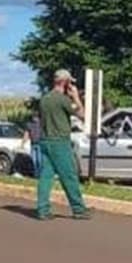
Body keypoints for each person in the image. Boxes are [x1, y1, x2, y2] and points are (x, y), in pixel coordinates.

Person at [35, 70, 91, 220]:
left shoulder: (44, 99)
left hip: (46, 141)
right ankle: (78, 209)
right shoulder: (62, 100)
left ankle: (43, 209)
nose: (71, 85)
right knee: (69, 176)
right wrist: (76, 97)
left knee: (46, 177)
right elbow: (82, 115)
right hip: (60, 142)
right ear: (65, 83)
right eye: (70, 83)